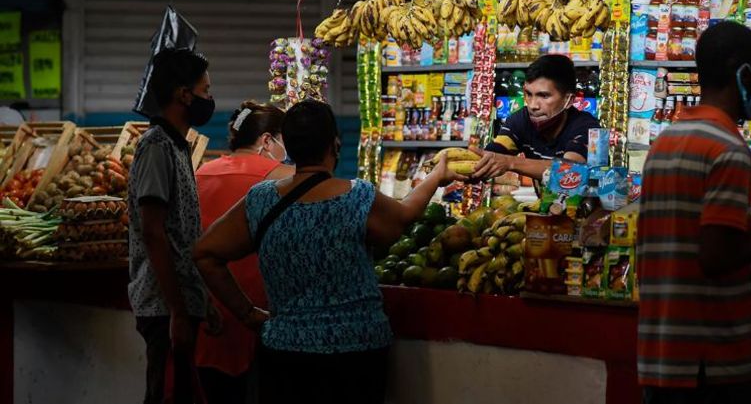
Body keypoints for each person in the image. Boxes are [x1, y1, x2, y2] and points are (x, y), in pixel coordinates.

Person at [193, 100, 463, 404]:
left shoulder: (261, 201)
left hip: (286, 353)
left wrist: (248, 314)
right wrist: (436, 177)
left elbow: (205, 254)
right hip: (357, 354)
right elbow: (404, 216)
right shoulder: (358, 197)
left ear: (289, 145)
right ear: (335, 144)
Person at [637, 21, 751, 403]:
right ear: (740, 72)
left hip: (660, 352)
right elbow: (714, 257)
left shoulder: (666, 141)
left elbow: (688, 232)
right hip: (708, 359)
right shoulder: (728, 148)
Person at [127, 47, 216, 404]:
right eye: (206, 91)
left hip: (178, 303)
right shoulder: (156, 147)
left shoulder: (178, 147)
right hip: (163, 307)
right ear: (184, 94)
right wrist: (179, 311)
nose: (209, 99)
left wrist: (201, 300)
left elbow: (182, 236)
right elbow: (153, 231)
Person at [194, 101, 294, 404]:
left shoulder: (200, 173)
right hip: (264, 311)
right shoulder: (286, 177)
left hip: (210, 307)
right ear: (267, 140)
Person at [470, 53, 600, 182]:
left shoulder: (588, 128)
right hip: (546, 203)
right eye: (528, 94)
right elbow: (493, 154)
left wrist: (510, 163)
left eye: (543, 96)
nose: (532, 105)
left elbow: (569, 171)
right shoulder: (521, 120)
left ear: (569, 100)